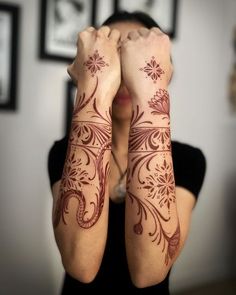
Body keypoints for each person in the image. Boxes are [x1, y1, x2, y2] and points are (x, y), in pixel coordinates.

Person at [48, 11, 206, 293]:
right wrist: (93, 84)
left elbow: (148, 272)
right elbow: (80, 265)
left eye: (134, 60)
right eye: (113, 59)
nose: (122, 76)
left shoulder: (188, 160)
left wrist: (150, 88)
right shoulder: (63, 152)